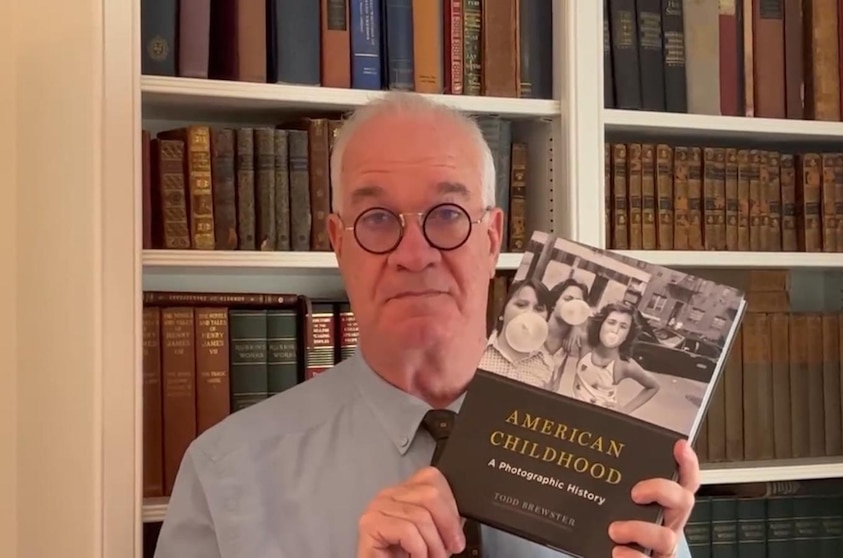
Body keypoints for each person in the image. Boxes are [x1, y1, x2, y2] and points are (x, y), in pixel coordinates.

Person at [153, 92, 699, 558]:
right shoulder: (225, 474)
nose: (414, 255)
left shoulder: (606, 455)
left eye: (447, 215)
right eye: (377, 219)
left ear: (492, 238)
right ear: (339, 244)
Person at [567, 302, 661, 414]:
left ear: (627, 335)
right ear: (601, 325)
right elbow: (574, 314)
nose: (615, 330)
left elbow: (653, 386)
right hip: (573, 413)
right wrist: (575, 327)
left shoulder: (624, 365)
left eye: (623, 327)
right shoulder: (586, 344)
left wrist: (624, 410)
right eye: (611, 323)